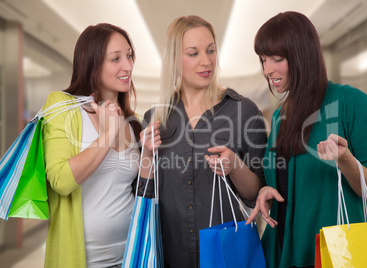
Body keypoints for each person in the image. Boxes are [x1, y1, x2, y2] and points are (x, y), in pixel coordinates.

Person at [246, 11, 367, 268]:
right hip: (283, 251)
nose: (267, 70)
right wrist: (268, 189)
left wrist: (345, 160)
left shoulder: (351, 103)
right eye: (263, 59)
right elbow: (287, 180)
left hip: (334, 255)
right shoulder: (280, 116)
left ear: (302, 56)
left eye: (277, 59)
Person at [139, 15, 267, 267]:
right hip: (171, 254)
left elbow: (257, 193)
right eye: (193, 53)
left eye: (210, 51)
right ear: (175, 60)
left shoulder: (243, 111)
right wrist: (145, 156)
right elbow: (146, 195)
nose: (206, 61)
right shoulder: (155, 119)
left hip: (226, 253)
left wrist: (234, 166)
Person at [42, 23, 142, 268]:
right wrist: (108, 134)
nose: (127, 66)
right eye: (115, 59)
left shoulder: (133, 123)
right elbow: (61, 181)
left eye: (129, 56)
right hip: (84, 260)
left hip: (131, 257)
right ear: (92, 63)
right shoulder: (62, 105)